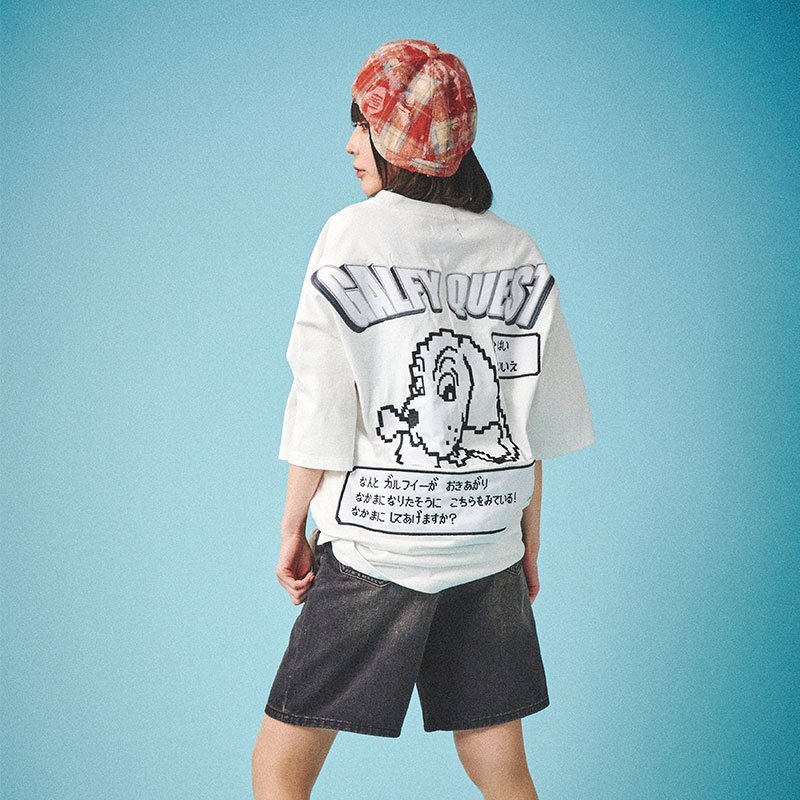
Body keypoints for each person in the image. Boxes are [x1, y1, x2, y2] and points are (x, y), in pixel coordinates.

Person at [251, 39, 595, 800]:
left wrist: (291, 527)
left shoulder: (351, 235)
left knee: (279, 766)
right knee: (501, 765)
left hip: (377, 544)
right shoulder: (518, 251)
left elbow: (321, 401)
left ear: (396, 143)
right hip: (487, 545)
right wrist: (527, 545)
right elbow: (531, 419)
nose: (350, 145)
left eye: (363, 127)